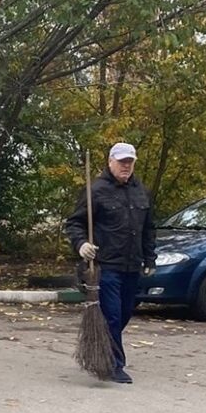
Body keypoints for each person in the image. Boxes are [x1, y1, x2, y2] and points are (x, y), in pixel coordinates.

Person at [64, 142, 156, 384]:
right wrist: (81, 244)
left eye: (130, 162)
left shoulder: (141, 192)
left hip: (132, 265)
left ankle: (102, 345)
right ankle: (115, 365)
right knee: (113, 315)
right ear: (110, 162)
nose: (126, 166)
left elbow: (148, 228)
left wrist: (150, 258)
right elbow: (74, 223)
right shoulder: (95, 191)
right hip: (106, 266)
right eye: (122, 161)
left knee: (125, 313)